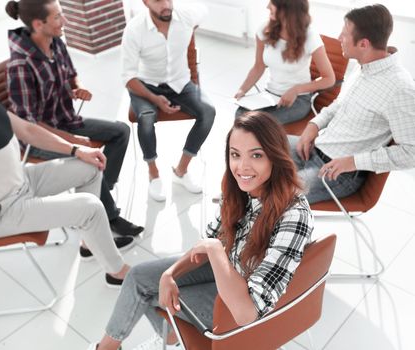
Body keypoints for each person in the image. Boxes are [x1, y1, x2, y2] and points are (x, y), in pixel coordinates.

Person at [87, 111, 314, 350]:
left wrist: (214, 248)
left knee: (149, 295)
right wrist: (171, 273)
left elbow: (247, 313)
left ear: (275, 157)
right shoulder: (240, 189)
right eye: (235, 155)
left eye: (256, 155)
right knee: (138, 278)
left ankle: (170, 340)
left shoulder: (293, 214)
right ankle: (112, 348)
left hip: (243, 302)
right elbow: (207, 241)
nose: (242, 167)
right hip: (227, 268)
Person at [0, 10, 130, 287]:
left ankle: (90, 242)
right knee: (89, 206)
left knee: (90, 165)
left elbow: (26, 129)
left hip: (21, 180)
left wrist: (76, 149)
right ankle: (117, 271)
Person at [4, 0, 143, 259]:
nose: (64, 21)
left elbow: (71, 74)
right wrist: (74, 142)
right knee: (90, 161)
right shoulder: (20, 66)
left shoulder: (55, 41)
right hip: (40, 138)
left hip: (65, 119)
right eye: (58, 17)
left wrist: (76, 86)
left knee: (120, 131)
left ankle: (102, 196)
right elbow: (30, 125)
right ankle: (109, 215)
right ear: (38, 24)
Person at [290, 4, 415, 204]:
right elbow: (340, 104)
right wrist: (314, 125)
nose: (339, 38)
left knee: (275, 194)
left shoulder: (400, 88)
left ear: (363, 44)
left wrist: (354, 162)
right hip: (318, 147)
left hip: (340, 173)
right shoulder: (363, 67)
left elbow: (411, 152)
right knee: (256, 146)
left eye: (344, 34)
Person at [121, 0, 216, 202]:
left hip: (179, 82)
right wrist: (155, 99)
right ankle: (153, 173)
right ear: (145, 2)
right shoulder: (135, 29)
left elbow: (204, 10)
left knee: (208, 112)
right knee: (146, 118)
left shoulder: (186, 15)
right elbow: (128, 77)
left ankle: (180, 171)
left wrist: (191, 29)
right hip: (145, 85)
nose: (165, 5)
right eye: (157, 0)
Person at [235, 0, 335, 123]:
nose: (267, 6)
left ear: (287, 8)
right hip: (270, 96)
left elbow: (329, 78)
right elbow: (258, 66)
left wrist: (296, 89)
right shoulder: (264, 29)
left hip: (298, 100)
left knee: (259, 124)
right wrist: (242, 90)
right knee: (240, 115)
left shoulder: (310, 36)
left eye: (272, 3)